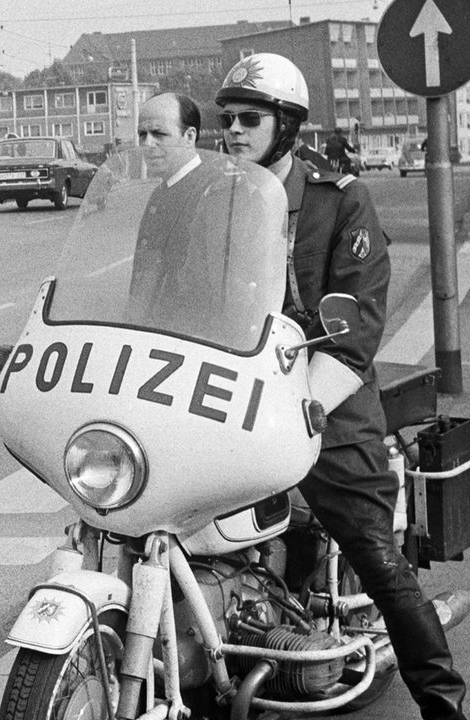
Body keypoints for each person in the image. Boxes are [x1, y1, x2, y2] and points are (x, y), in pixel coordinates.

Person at [217, 52, 467, 720]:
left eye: (250, 118)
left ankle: (444, 703)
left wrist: (304, 405)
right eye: (228, 119)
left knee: (375, 553)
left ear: (287, 125)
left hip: (321, 396)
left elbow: (356, 325)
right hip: (228, 394)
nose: (234, 131)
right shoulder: (215, 199)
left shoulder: (337, 199)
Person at [128, 91, 275, 347]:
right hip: (154, 341)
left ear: (189, 137)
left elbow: (229, 291)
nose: (148, 144)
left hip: (196, 345)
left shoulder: (219, 190)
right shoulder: (160, 192)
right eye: (142, 134)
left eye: (159, 134)